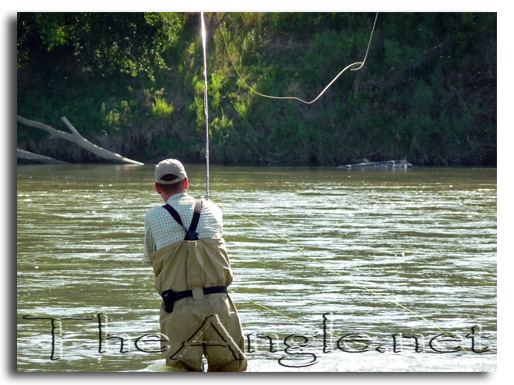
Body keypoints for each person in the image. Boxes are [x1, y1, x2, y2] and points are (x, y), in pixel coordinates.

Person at [143, 159, 247, 372]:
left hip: (179, 308)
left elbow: (149, 259)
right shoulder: (214, 210)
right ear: (187, 182)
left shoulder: (152, 217)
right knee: (231, 371)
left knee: (182, 373)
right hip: (219, 305)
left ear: (157, 188)